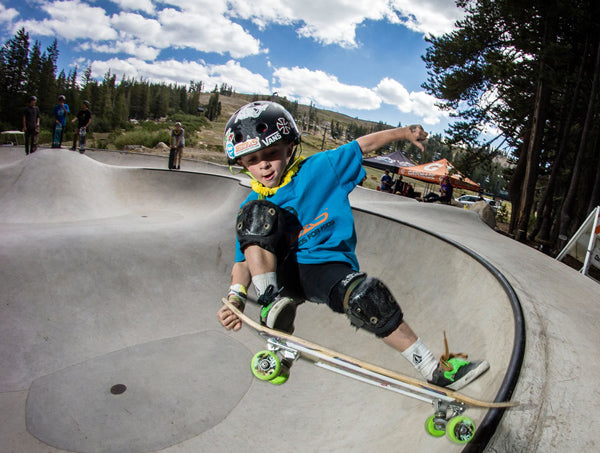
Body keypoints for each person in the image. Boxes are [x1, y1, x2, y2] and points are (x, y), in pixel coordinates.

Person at [216, 101, 489, 390]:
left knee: (366, 295)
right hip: (279, 270)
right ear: (243, 164)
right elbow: (243, 261)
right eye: (253, 160)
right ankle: (273, 314)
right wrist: (235, 299)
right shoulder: (251, 206)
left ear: (289, 147)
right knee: (256, 212)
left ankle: (433, 368)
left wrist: (404, 132)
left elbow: (363, 145)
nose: (264, 165)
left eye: (271, 153)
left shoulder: (322, 167)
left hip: (325, 266)